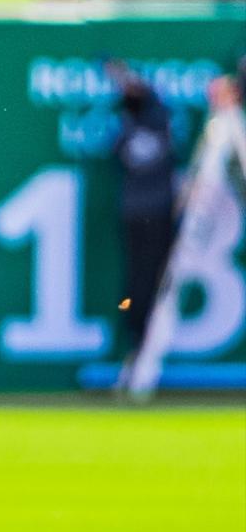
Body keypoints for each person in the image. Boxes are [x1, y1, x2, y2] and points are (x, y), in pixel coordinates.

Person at [111, 75, 177, 352]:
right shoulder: (159, 124)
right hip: (155, 212)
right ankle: (143, 329)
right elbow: (149, 97)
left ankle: (137, 330)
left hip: (134, 212)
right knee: (153, 275)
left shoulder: (127, 131)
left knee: (140, 274)